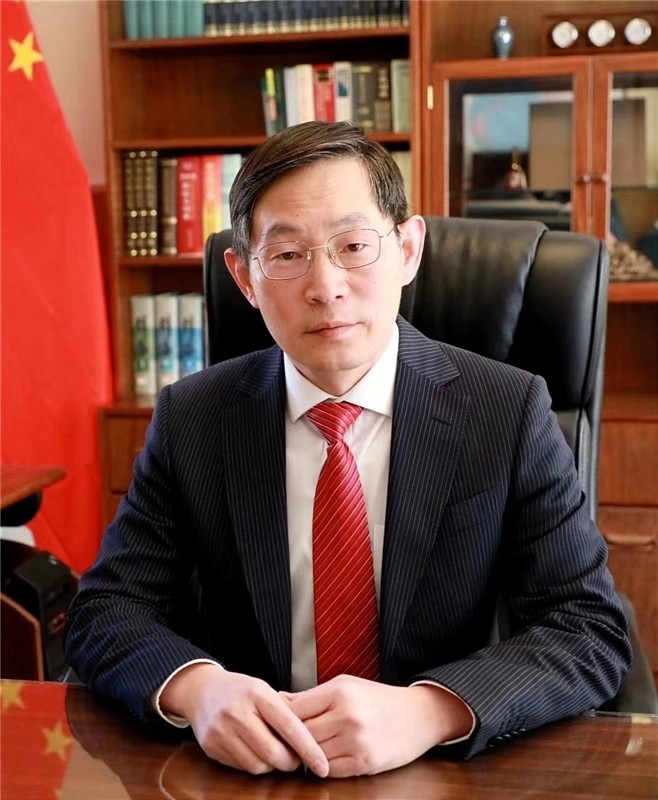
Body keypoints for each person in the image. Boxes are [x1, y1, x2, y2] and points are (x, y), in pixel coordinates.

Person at [64, 120, 631, 780]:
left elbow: (586, 626)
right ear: (244, 278)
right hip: (253, 772)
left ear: (408, 250)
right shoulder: (195, 418)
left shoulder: (506, 411)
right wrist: (197, 688)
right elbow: (106, 610)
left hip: (440, 773)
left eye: (354, 246)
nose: (325, 285)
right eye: (287, 255)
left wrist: (432, 709)